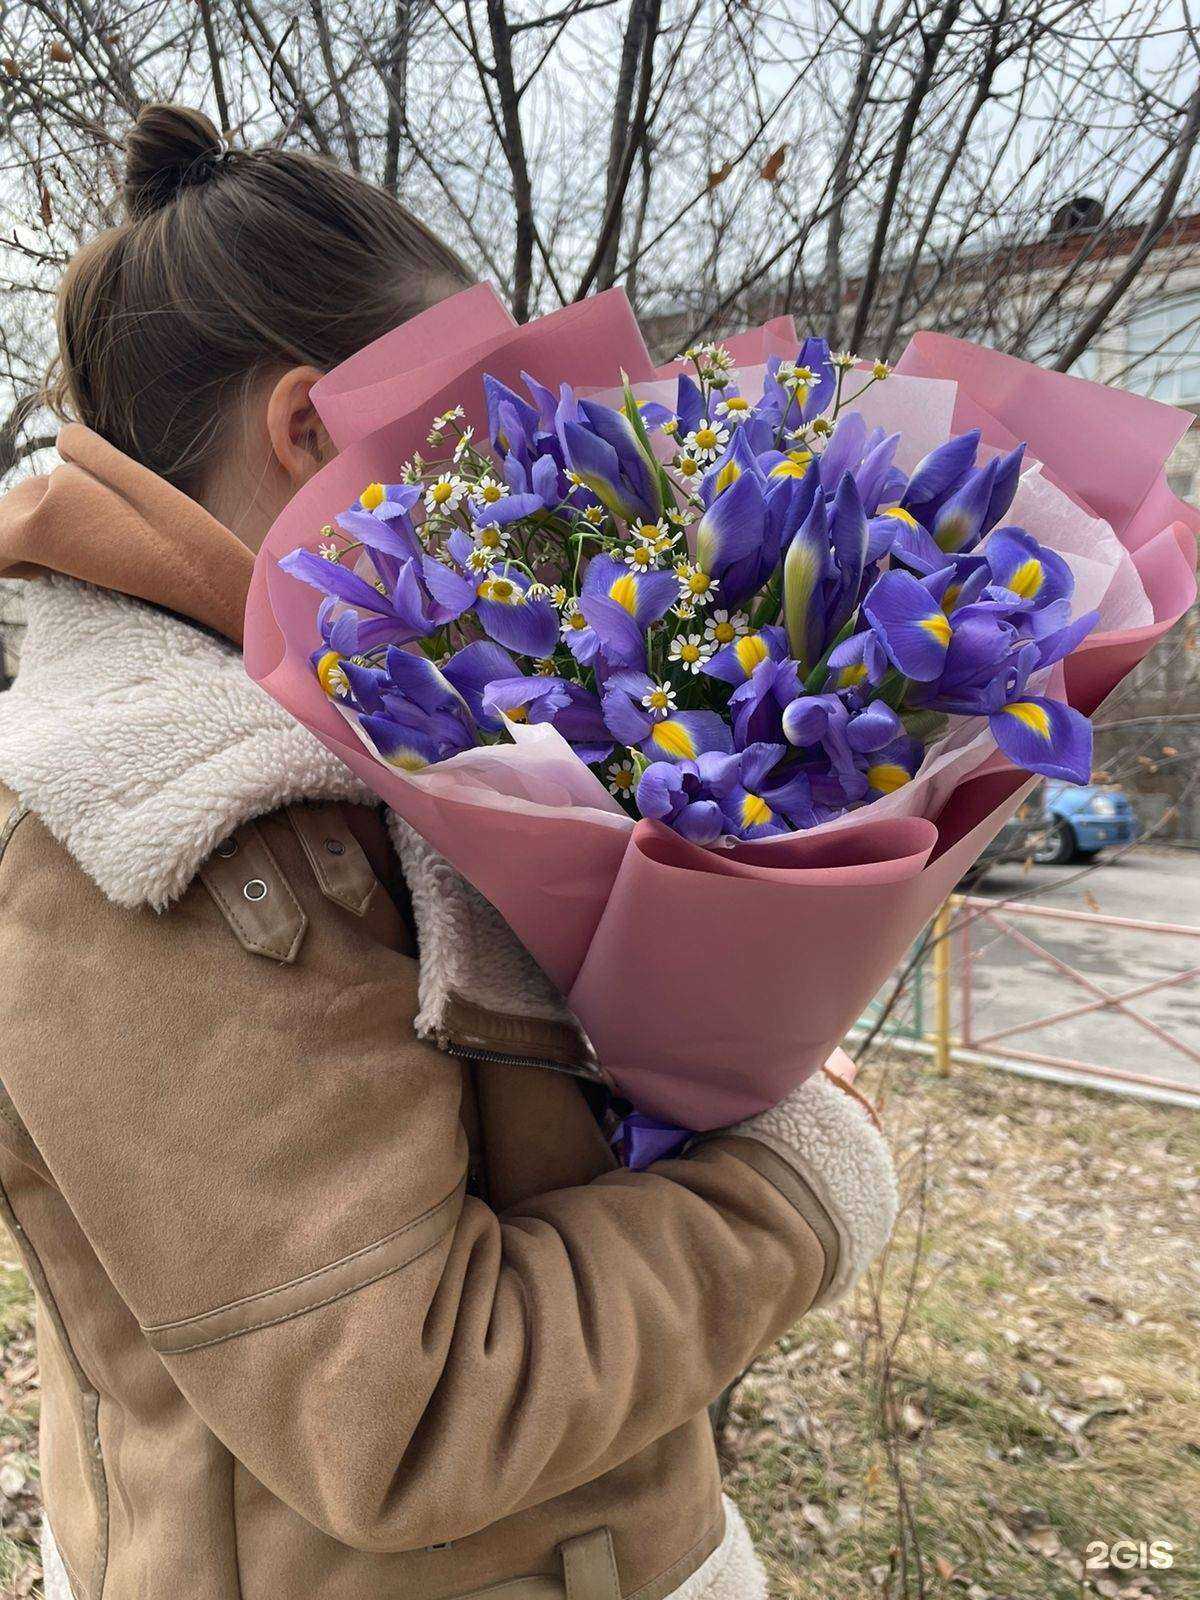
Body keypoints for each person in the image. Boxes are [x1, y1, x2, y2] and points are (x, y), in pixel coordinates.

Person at [0, 104, 897, 1600]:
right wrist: (798, 1185)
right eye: (473, 422)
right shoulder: (155, 817)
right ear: (309, 426)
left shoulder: (353, 716)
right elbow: (407, 1413)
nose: (507, 482)